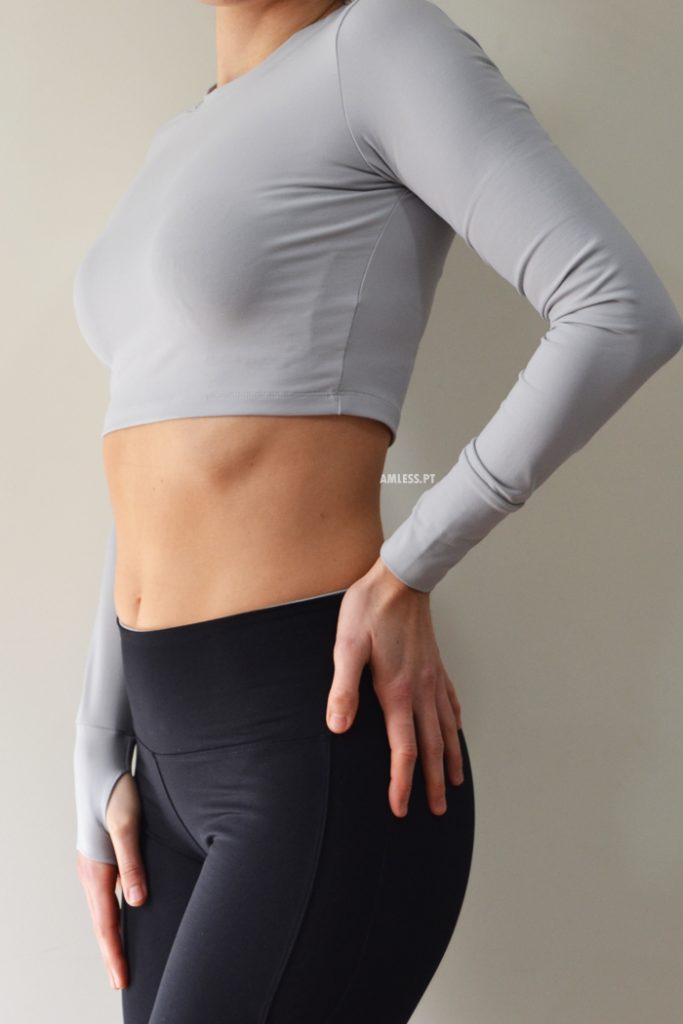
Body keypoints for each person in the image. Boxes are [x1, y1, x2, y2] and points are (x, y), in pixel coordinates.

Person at [72, 0, 683, 1021]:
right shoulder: (179, 139)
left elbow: (618, 309)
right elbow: (149, 461)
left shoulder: (380, 48)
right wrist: (97, 741)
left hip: (313, 736)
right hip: (160, 760)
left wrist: (410, 565)